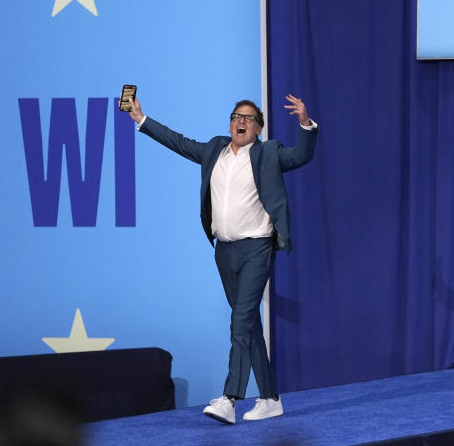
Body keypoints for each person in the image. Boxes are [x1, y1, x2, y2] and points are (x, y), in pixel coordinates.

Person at [127, 94, 318, 424]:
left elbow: (302, 155)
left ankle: (230, 398)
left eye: (248, 118)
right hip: (224, 251)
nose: (240, 121)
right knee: (249, 326)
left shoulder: (268, 153)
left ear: (258, 128)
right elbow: (178, 142)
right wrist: (142, 119)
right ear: (230, 124)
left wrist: (305, 122)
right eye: (235, 116)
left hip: (257, 248)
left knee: (240, 321)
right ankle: (270, 398)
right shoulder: (214, 149)